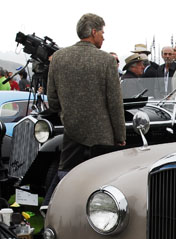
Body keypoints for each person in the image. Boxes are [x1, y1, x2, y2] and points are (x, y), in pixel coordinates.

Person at [44, 13, 125, 205]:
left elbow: (52, 100)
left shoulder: (59, 58)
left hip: (71, 130)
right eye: (102, 32)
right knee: (104, 181)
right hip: (102, 135)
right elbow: (114, 102)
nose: (104, 37)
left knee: (66, 177)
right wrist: (120, 135)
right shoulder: (106, 60)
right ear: (94, 32)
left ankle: (55, 210)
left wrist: (67, 113)